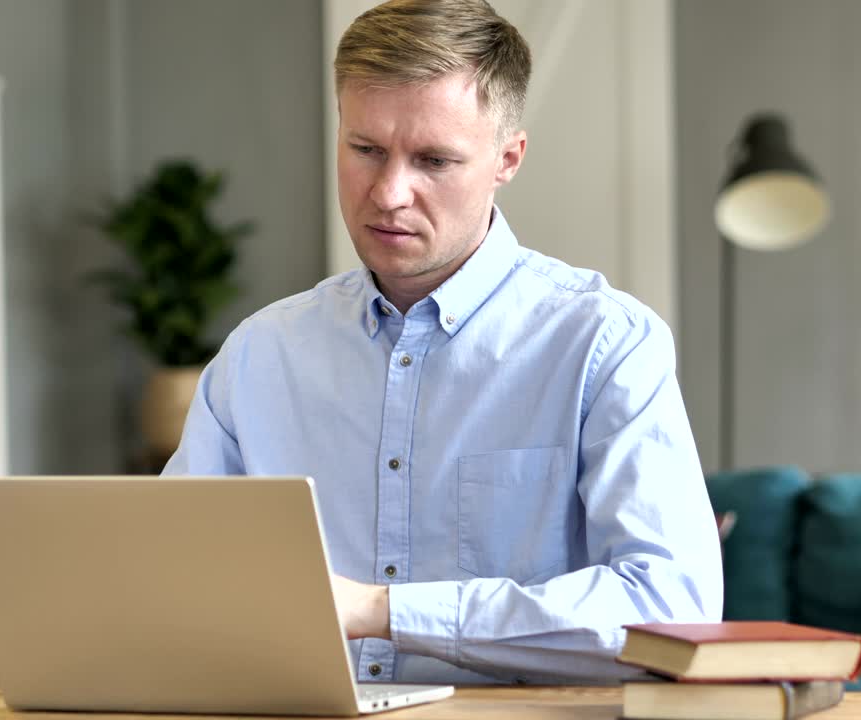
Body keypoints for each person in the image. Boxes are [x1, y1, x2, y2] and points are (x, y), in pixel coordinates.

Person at [162, 0, 722, 684]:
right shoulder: (258, 356)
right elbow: (169, 581)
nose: (389, 193)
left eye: (433, 160)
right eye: (365, 150)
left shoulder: (604, 344)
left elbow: (673, 609)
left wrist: (381, 611)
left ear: (507, 159)